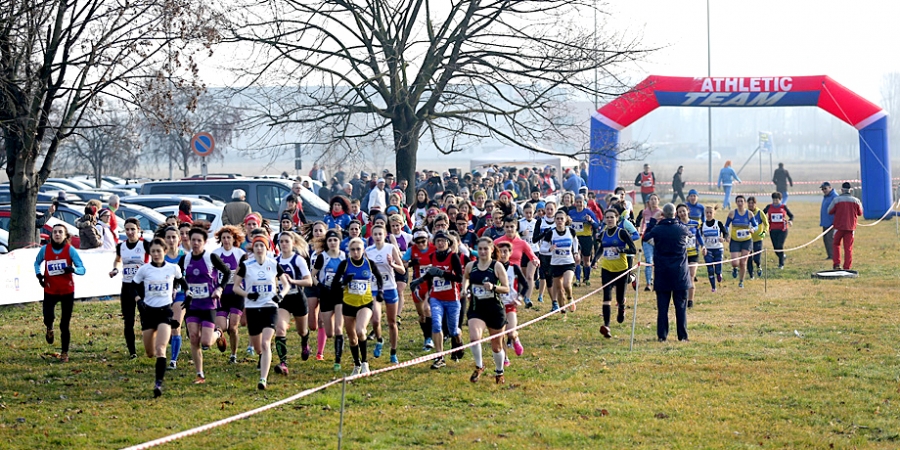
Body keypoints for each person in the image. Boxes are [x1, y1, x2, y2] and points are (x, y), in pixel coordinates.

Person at [233, 234, 291, 390]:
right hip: (252, 308)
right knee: (259, 348)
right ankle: (263, 356)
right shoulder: (246, 265)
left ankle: (263, 379)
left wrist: (281, 295)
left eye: (262, 246)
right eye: (256, 246)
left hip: (270, 306)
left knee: (266, 343)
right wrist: (247, 294)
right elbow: (235, 287)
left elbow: (286, 285)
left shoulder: (274, 264)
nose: (259, 249)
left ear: (267, 248)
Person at [132, 238, 186, 397]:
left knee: (160, 348)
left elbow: (183, 282)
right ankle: (158, 340)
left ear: (165, 251)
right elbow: (133, 287)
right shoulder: (144, 270)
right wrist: (138, 300)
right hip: (149, 313)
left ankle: (158, 384)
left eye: (159, 251)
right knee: (150, 352)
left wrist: (187, 296)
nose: (156, 254)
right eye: (153, 251)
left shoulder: (173, 268)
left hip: (165, 312)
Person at [179, 227, 232, 384]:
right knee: (194, 338)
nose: (195, 243)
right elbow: (179, 277)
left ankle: (218, 333)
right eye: (193, 240)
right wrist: (186, 290)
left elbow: (227, 272)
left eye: (199, 241)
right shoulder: (185, 259)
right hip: (193, 305)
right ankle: (200, 374)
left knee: (206, 342)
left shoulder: (211, 257)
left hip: (209, 304)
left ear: (204, 242)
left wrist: (220, 288)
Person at [409, 230, 464, 369]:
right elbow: (430, 275)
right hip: (436, 297)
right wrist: (419, 281)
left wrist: (443, 274)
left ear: (448, 243)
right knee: (436, 324)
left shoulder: (453, 257)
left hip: (452, 298)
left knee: (453, 331)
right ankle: (439, 357)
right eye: (438, 241)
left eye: (443, 241)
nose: (440, 243)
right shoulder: (432, 256)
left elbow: (459, 278)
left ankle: (459, 340)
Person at [332, 237, 384, 375]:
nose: (355, 252)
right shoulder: (344, 264)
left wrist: (380, 292)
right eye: (353, 250)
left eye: (358, 249)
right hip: (348, 304)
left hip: (365, 303)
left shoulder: (369, 263)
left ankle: (365, 362)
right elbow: (334, 285)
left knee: (361, 331)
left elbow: (379, 278)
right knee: (352, 337)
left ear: (363, 250)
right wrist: (344, 281)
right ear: (349, 251)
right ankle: (357, 364)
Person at [35, 224, 86, 362]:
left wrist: (73, 269)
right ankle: (49, 328)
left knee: (64, 324)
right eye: (55, 232)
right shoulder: (45, 249)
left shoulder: (70, 250)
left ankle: (64, 353)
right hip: (50, 289)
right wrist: (39, 275)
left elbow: (82, 268)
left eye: (60, 232)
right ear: (51, 235)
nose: (57, 234)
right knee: (48, 317)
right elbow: (36, 263)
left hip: (67, 291)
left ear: (65, 235)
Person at [463, 238, 511, 384]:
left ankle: (499, 371)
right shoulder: (471, 265)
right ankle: (479, 366)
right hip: (477, 309)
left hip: (495, 310)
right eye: (480, 249)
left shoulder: (497, 266)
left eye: (485, 249)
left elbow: (506, 288)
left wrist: (493, 287)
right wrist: (464, 289)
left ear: (491, 250)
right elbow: (465, 278)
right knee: (474, 338)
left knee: (496, 347)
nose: (483, 252)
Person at [642, 203, 691, 341]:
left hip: (662, 273)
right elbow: (690, 236)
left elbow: (645, 237)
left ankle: (662, 336)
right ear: (675, 214)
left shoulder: (657, 229)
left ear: (662, 214)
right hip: (680, 273)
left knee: (662, 308)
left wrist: (652, 220)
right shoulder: (682, 228)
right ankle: (682, 336)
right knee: (681, 307)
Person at [109, 218, 152, 359]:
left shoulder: (145, 244)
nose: (130, 232)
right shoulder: (121, 246)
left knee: (146, 319)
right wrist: (115, 269)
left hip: (142, 287)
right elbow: (118, 260)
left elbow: (156, 258)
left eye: (133, 229)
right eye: (127, 229)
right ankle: (132, 352)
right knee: (128, 320)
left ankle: (149, 346)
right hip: (127, 286)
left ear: (139, 230)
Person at [365, 225, 405, 364]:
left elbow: (402, 270)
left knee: (392, 322)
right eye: (375, 234)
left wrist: (392, 264)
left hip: (390, 287)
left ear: (385, 235)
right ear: (371, 235)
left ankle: (393, 352)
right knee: (375, 320)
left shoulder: (390, 248)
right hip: (375, 288)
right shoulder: (368, 251)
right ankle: (379, 340)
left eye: (380, 234)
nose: (377, 237)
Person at [310, 229, 347, 371]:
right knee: (329, 332)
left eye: (335, 240)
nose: (332, 243)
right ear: (327, 242)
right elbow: (312, 275)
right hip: (326, 294)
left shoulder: (344, 256)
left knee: (338, 328)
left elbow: (348, 273)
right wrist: (320, 286)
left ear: (339, 242)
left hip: (339, 294)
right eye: (330, 240)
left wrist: (344, 283)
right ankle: (327, 347)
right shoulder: (322, 257)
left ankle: (338, 360)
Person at [597, 208, 636, 338]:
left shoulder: (622, 232)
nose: (609, 219)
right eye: (607, 217)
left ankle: (621, 309)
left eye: (611, 217)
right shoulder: (603, 234)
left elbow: (633, 249)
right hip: (607, 269)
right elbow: (601, 249)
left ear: (617, 219)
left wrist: (621, 250)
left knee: (619, 298)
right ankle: (606, 326)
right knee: (606, 298)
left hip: (621, 270)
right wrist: (594, 261)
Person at [211, 226, 247, 364]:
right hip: (221, 295)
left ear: (234, 239)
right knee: (221, 328)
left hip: (236, 294)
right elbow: (212, 272)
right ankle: (220, 338)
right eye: (223, 238)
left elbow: (245, 272)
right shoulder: (215, 254)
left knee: (233, 327)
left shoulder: (239, 253)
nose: (226, 240)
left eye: (228, 237)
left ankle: (233, 355)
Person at [539, 210, 580, 314]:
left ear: (565, 219)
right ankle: (563, 312)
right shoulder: (550, 233)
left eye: (562, 219)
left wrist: (575, 252)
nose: (559, 221)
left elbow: (575, 241)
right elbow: (542, 248)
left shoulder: (570, 231)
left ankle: (570, 298)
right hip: (555, 264)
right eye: (557, 219)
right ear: (554, 220)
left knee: (567, 284)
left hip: (568, 262)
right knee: (559, 290)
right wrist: (549, 249)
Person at [161, 226, 187, 370]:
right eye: (168, 237)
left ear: (179, 239)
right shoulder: (160, 257)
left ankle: (173, 360)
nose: (171, 240)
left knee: (175, 325)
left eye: (173, 237)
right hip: (162, 296)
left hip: (180, 295)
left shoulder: (185, 256)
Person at [725, 195, 758, 289]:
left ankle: (741, 281)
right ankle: (735, 268)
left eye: (741, 201)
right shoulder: (732, 213)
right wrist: (727, 235)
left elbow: (755, 226)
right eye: (738, 201)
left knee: (743, 262)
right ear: (736, 203)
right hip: (735, 241)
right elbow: (726, 225)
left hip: (746, 240)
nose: (740, 203)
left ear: (744, 203)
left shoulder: (749, 214)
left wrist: (752, 229)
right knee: (735, 262)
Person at [828, 182, 863, 270]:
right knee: (848, 248)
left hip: (838, 227)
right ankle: (847, 267)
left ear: (842, 190)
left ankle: (836, 264)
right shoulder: (856, 201)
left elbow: (830, 211)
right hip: (850, 228)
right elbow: (860, 213)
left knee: (836, 245)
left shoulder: (836, 200)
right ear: (851, 190)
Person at [567, 194, 600, 288]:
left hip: (587, 238)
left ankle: (587, 278)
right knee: (577, 259)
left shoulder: (588, 212)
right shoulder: (571, 213)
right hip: (575, 239)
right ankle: (577, 279)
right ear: (574, 203)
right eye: (577, 202)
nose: (579, 204)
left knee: (586, 261)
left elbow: (597, 225)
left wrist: (591, 221)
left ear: (583, 203)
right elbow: (567, 224)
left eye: (580, 202)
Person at [676, 204, 705, 308]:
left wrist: (703, 246)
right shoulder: (677, 225)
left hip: (693, 254)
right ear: (677, 214)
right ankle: (682, 298)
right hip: (681, 255)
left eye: (684, 211)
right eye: (680, 212)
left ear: (688, 211)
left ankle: (690, 301)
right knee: (682, 277)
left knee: (691, 276)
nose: (682, 213)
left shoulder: (695, 223)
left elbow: (698, 236)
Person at [636, 194, 662, 291]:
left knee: (658, 261)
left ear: (658, 201)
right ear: (648, 201)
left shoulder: (661, 212)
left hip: (658, 240)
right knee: (648, 261)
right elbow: (641, 222)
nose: (653, 201)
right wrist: (641, 230)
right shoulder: (644, 212)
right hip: (647, 240)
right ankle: (648, 283)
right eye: (651, 199)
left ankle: (657, 281)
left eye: (655, 199)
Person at [764, 192, 794, 269]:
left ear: (780, 200)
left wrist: (790, 221)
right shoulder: (769, 207)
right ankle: (782, 256)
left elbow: (791, 215)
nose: (775, 202)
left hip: (782, 229)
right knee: (775, 248)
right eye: (774, 200)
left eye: (777, 200)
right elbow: (762, 214)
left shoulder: (784, 207)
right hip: (772, 229)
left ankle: (781, 264)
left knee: (779, 246)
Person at [701, 205, 726, 292]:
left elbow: (725, 233)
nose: (708, 214)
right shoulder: (702, 225)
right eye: (707, 213)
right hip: (708, 249)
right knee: (710, 269)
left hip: (718, 248)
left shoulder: (718, 223)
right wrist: (701, 245)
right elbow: (699, 237)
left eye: (710, 213)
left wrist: (724, 239)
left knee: (718, 267)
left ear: (714, 213)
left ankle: (719, 274)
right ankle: (713, 287)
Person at [746, 197, 769, 279]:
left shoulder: (760, 212)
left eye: (752, 203)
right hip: (747, 239)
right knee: (748, 258)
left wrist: (763, 232)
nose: (751, 205)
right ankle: (751, 274)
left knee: (756, 258)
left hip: (758, 239)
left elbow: (766, 224)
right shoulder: (745, 213)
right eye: (749, 203)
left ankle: (758, 266)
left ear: (755, 204)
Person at [819, 182, 838, 261]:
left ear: (830, 188)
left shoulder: (835, 197)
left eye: (825, 188)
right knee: (826, 239)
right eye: (822, 189)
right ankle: (829, 255)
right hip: (825, 222)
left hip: (832, 223)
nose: (824, 190)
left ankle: (833, 255)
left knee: (830, 239)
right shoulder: (826, 197)